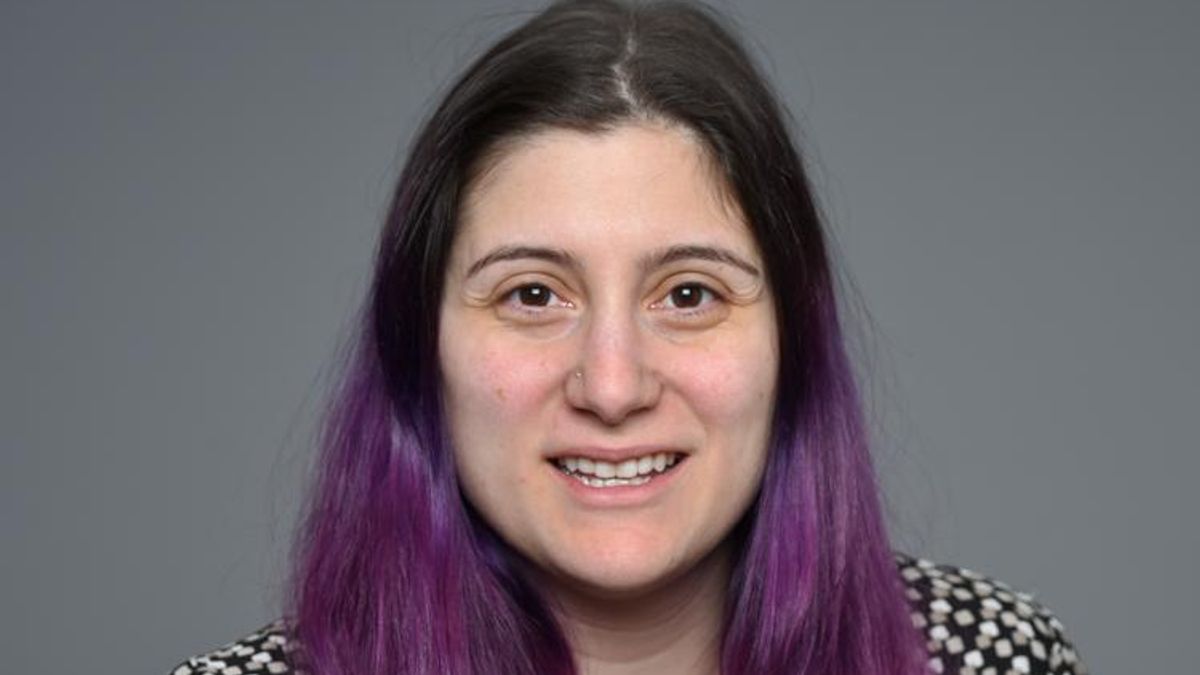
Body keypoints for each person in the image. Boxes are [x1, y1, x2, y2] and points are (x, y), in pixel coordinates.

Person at [172, 1, 1087, 673]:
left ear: (791, 341)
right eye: (534, 293)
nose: (612, 386)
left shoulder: (985, 657)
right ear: (422, 346)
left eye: (688, 294)